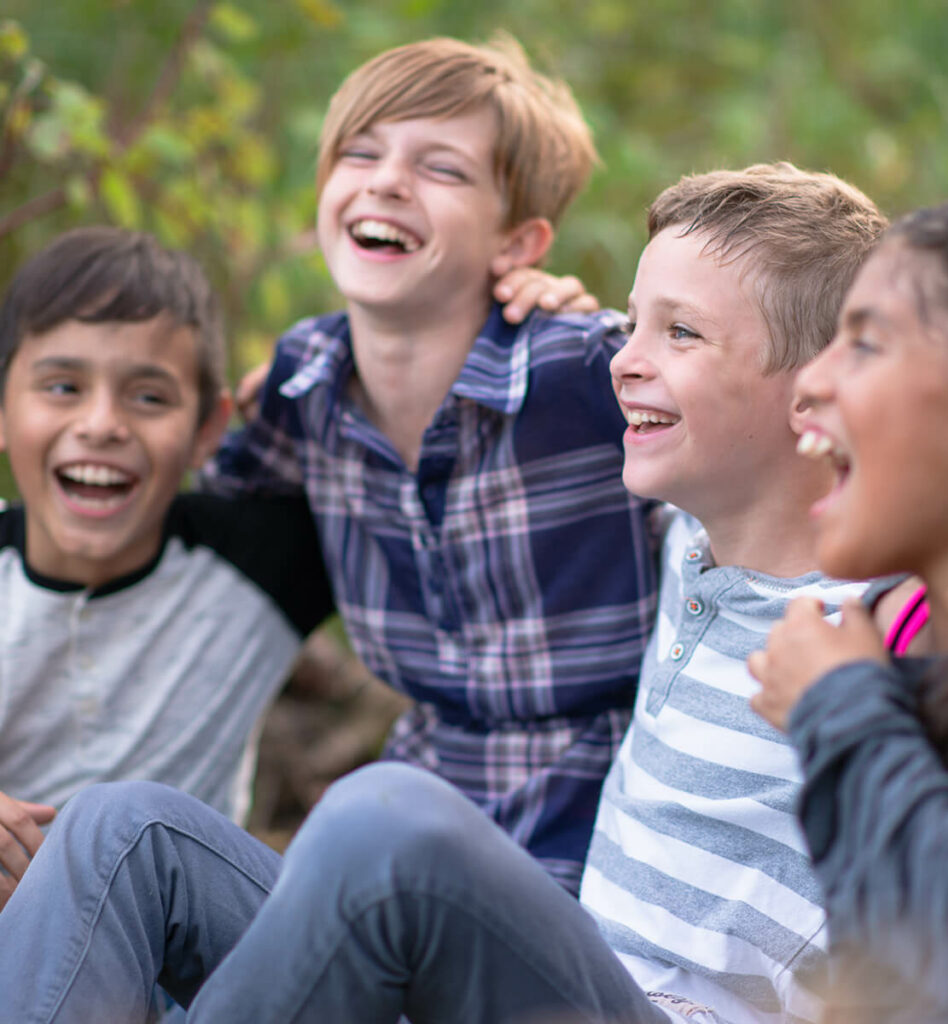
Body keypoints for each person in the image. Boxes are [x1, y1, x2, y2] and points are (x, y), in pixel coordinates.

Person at [0, 163, 888, 1024]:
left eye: (679, 333)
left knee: (388, 822)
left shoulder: (892, 622)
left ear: (817, 397)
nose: (622, 360)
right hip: (543, 979)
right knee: (121, 831)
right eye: (631, 325)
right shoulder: (686, 541)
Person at [200, 35, 662, 892]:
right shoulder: (304, 387)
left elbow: (751, 514)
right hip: (415, 803)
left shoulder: (582, 372)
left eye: (442, 169)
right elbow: (193, 534)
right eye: (361, 153)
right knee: (128, 842)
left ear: (518, 242)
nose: (384, 181)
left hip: (604, 817)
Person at [0, 225, 566, 910]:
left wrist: (529, 332)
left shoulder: (255, 558)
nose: (101, 423)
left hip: (179, 968)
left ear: (209, 429)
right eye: (62, 386)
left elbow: (444, 489)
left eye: (148, 397)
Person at [748, 191, 948, 1024]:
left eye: (865, 342)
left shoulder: (858, 694)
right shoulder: (912, 652)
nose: (813, 380)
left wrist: (841, 709)